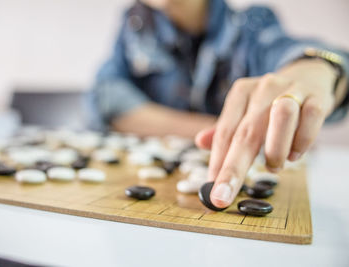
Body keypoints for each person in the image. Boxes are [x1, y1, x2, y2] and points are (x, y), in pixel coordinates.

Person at [85, 0, 349, 209]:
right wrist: (219, 130)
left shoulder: (253, 24)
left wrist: (320, 68)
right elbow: (106, 97)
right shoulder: (134, 24)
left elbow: (300, 54)